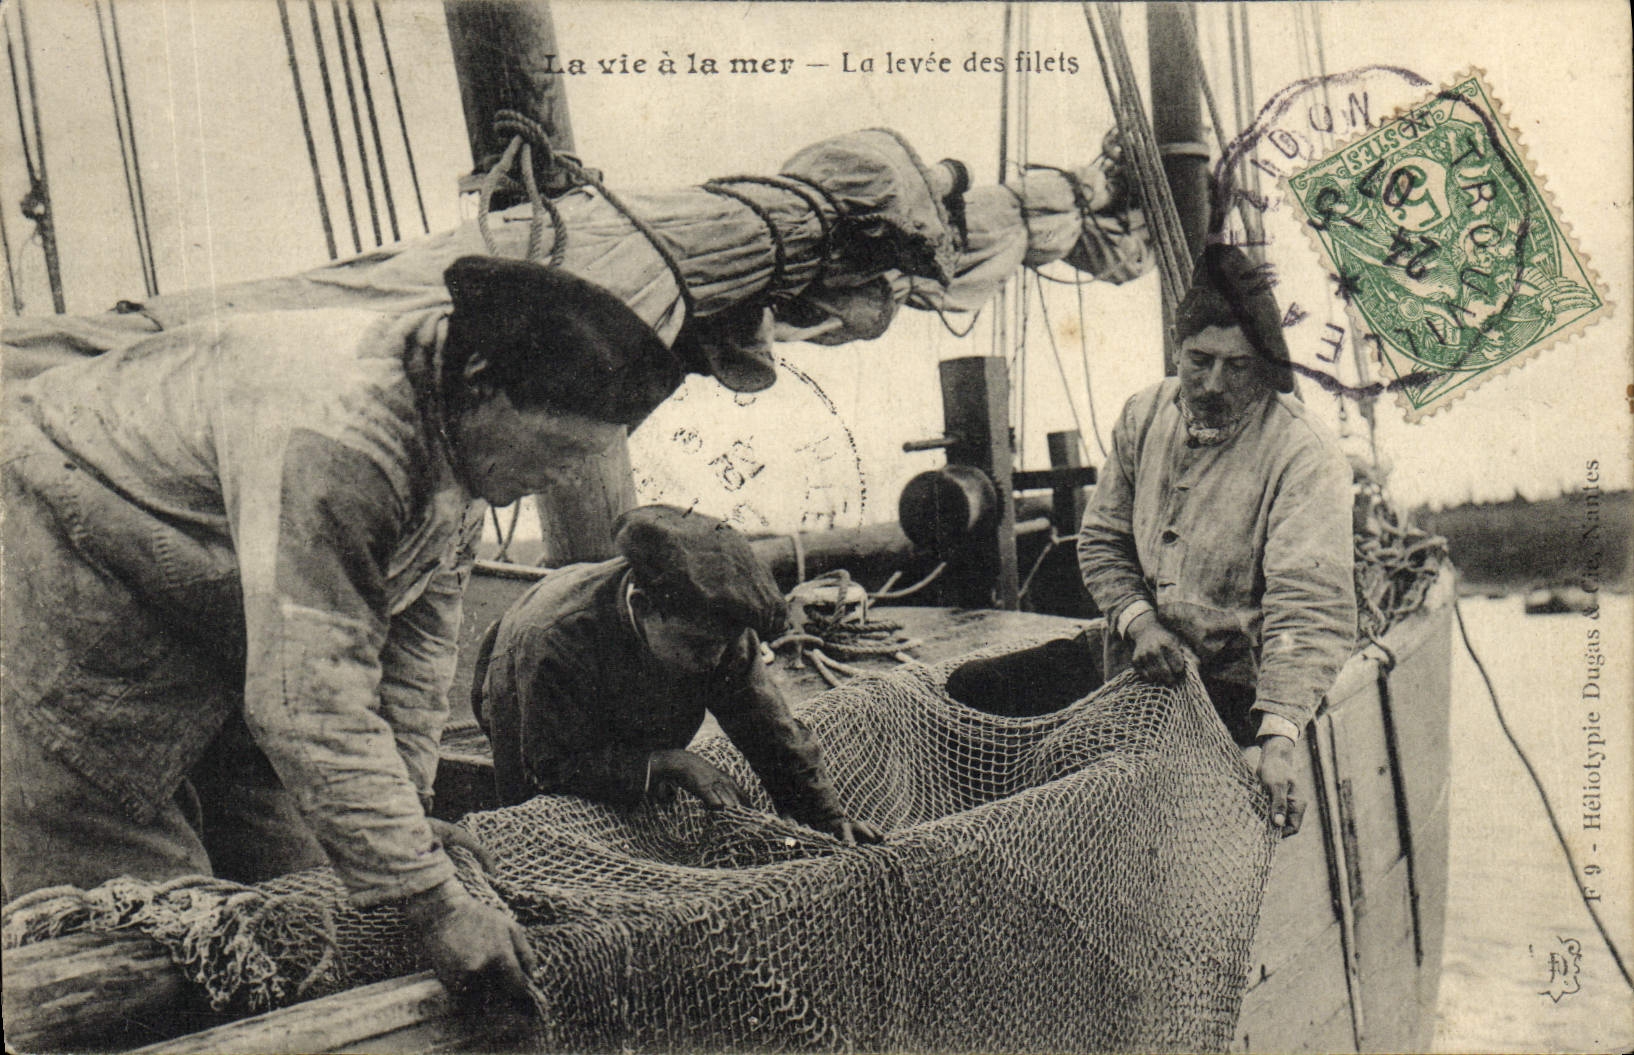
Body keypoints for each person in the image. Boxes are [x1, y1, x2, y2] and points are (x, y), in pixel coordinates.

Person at [1, 254, 686, 1009]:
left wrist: (412, 821)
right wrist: (433, 902)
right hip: (61, 593)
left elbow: (416, 654)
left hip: (219, 613)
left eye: (583, 460)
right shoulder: (345, 433)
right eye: (556, 452)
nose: (562, 479)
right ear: (483, 383)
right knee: (154, 943)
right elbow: (307, 701)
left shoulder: (462, 437)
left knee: (311, 892)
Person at [1076, 243, 1357, 836]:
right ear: (1176, 350)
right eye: (1198, 360)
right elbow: (1101, 540)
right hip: (1134, 678)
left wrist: (1278, 736)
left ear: (1265, 368)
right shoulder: (1142, 414)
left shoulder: (1303, 454)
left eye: (1238, 367)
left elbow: (1308, 608)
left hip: (1240, 701)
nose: (1212, 383)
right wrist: (1141, 624)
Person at [473, 505, 880, 845]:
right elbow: (551, 767)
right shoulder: (552, 640)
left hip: (631, 700)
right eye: (700, 646)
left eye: (725, 645)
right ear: (643, 604)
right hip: (527, 702)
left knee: (644, 801)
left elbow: (768, 728)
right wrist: (668, 763)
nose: (715, 659)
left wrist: (825, 818)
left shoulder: (715, 632)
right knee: (538, 834)